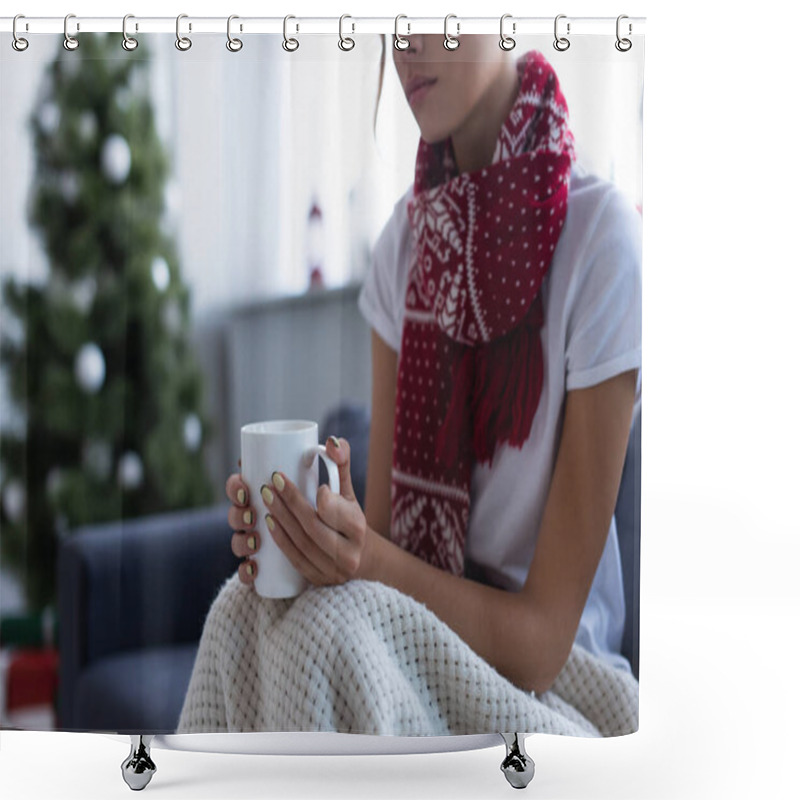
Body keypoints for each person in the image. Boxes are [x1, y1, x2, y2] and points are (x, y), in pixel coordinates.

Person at [224, 35, 641, 696]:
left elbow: (540, 650)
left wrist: (365, 559)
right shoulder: (401, 249)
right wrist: (309, 544)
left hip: (562, 684)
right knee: (245, 608)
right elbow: (387, 551)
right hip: (417, 644)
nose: (407, 43)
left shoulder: (603, 241)